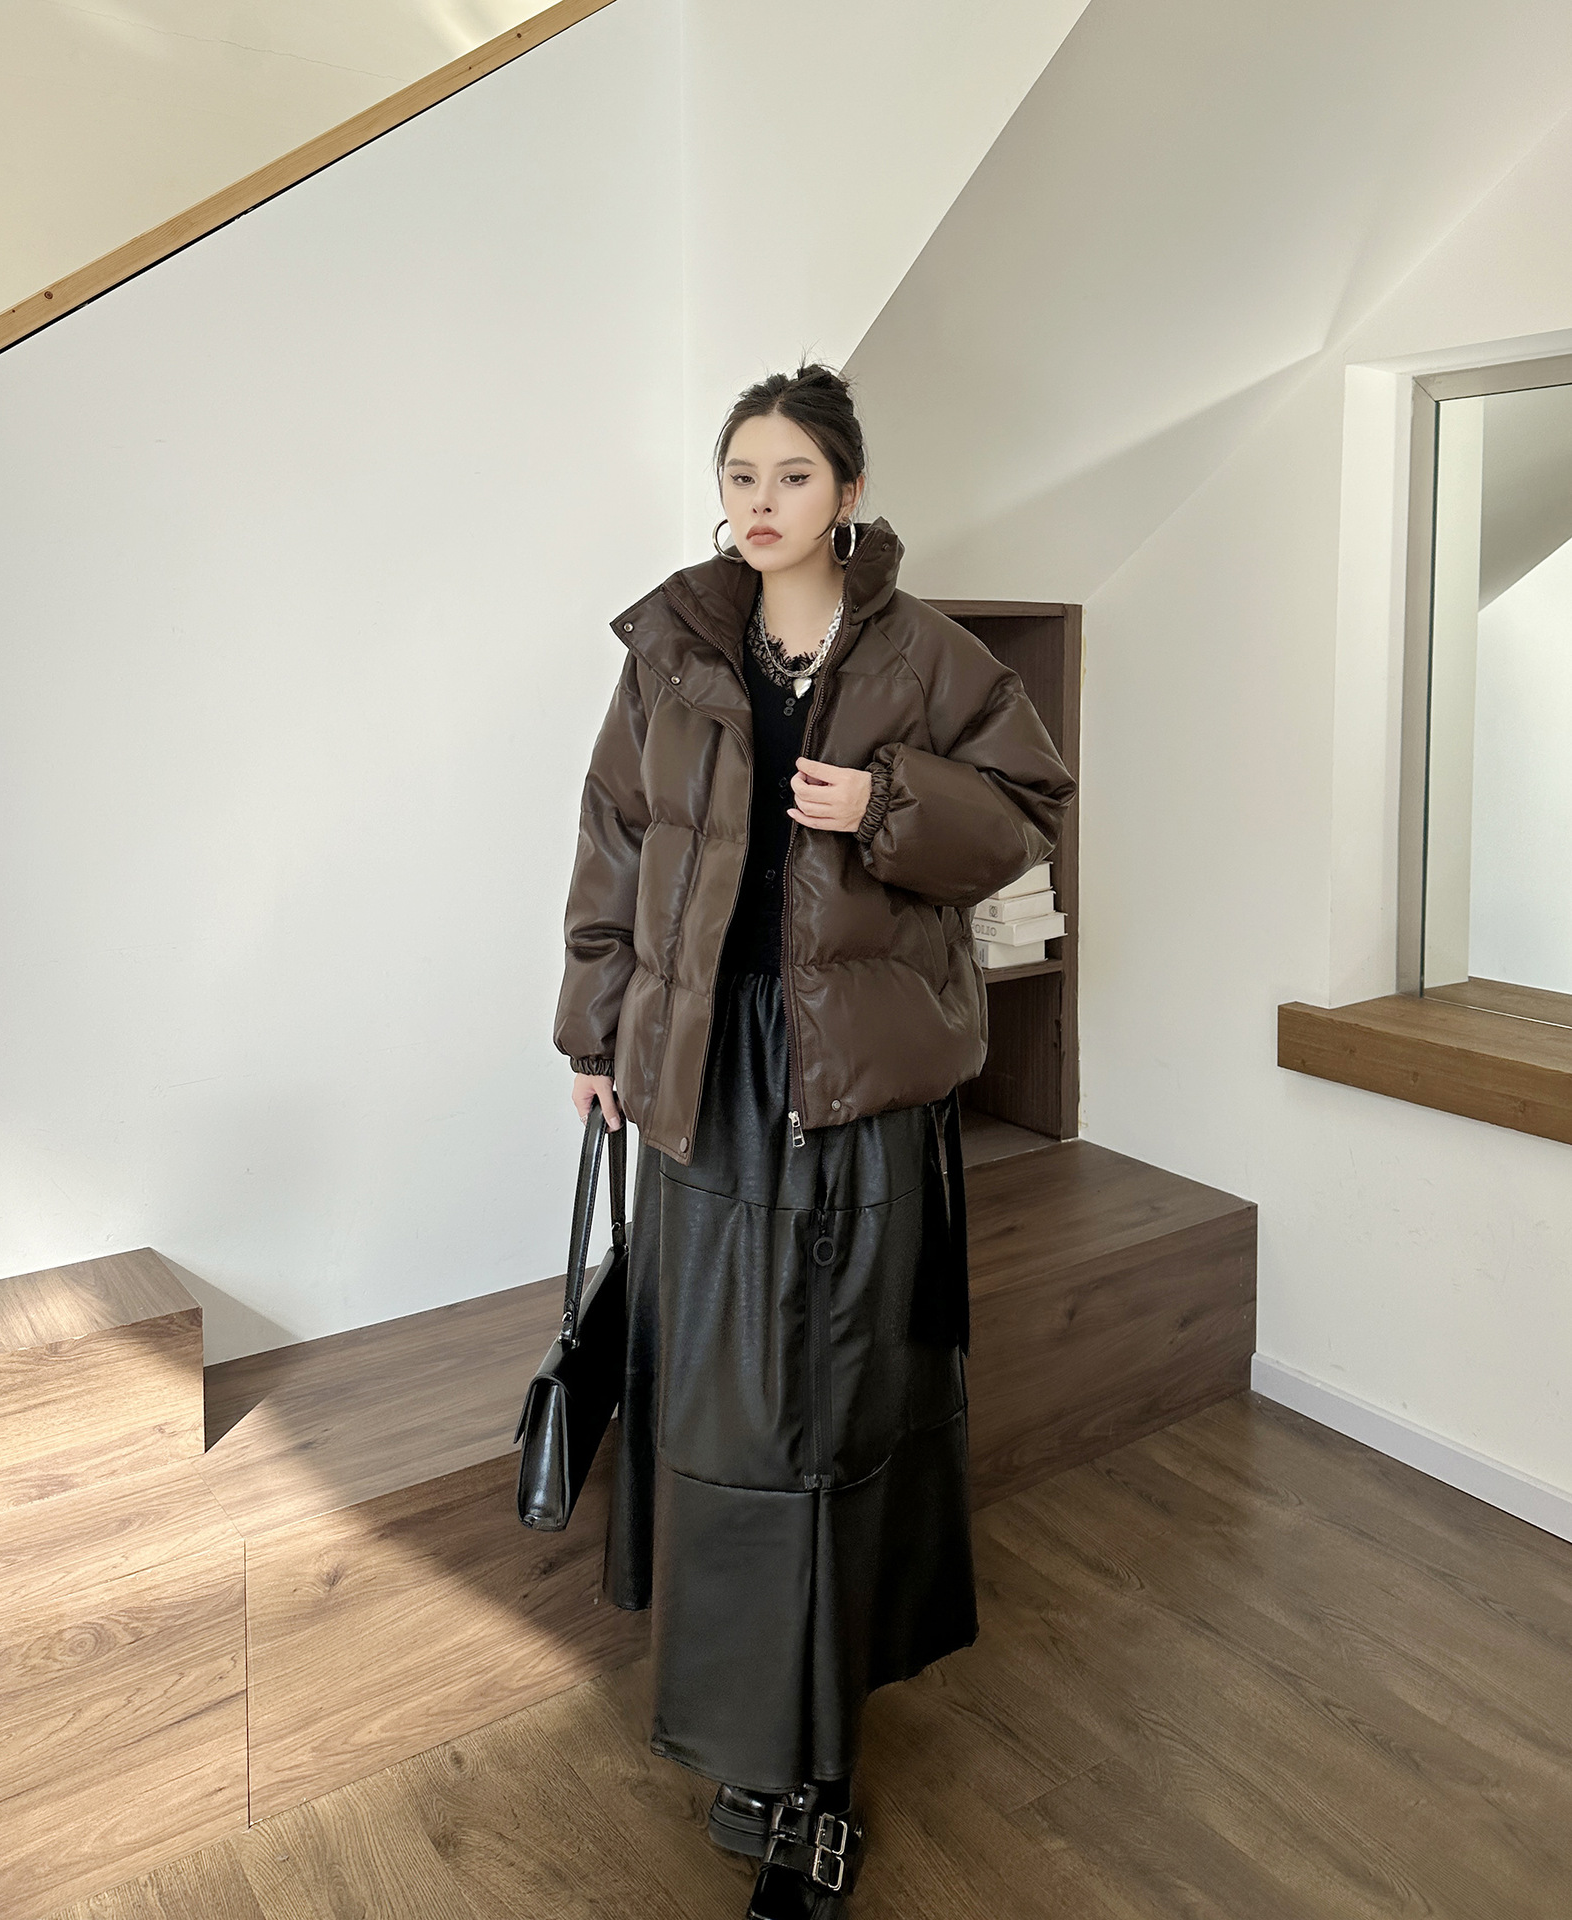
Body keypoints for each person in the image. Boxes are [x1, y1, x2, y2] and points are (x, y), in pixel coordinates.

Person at [553, 362, 1076, 1917]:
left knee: (840, 1410)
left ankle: (817, 1768)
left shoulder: (925, 652)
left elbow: (1029, 810)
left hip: (857, 1082)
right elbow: (613, 838)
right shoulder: (670, 648)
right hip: (708, 1075)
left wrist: (888, 804)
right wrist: (597, 1032)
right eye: (740, 476)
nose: (760, 502)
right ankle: (752, 1736)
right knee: (724, 1410)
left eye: (790, 475)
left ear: (846, 491)